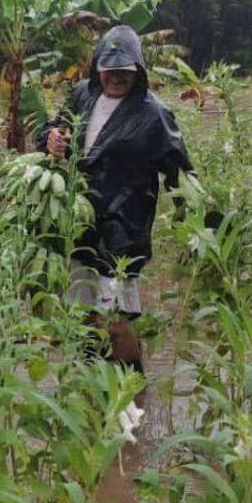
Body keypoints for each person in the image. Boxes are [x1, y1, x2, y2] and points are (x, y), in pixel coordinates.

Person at [38, 25, 192, 370]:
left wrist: (195, 225)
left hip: (123, 226)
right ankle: (92, 382)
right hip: (79, 220)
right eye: (109, 69)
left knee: (116, 318)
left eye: (125, 70)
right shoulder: (83, 94)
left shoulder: (153, 114)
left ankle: (133, 385)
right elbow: (53, 129)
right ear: (97, 68)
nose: (117, 77)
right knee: (83, 311)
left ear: (138, 70)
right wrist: (51, 138)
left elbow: (181, 173)